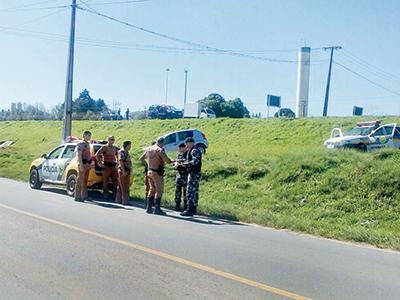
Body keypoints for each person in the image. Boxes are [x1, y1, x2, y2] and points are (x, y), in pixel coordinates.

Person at [140, 137, 173, 215]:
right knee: (159, 190)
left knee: (152, 189)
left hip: (149, 171)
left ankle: (149, 207)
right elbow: (166, 160)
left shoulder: (149, 149)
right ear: (162, 143)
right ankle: (157, 208)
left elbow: (141, 158)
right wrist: (173, 160)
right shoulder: (159, 150)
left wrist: (148, 165)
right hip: (157, 172)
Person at [181, 137, 202, 216]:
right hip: (194, 173)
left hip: (194, 173)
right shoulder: (193, 150)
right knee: (194, 191)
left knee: (190, 191)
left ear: (189, 143)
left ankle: (190, 210)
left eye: (186, 144)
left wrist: (186, 164)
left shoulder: (194, 150)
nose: (186, 146)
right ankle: (193, 209)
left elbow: (195, 161)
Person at [95, 136, 119, 200]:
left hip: (113, 166)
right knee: (105, 181)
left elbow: (117, 155)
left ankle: (115, 195)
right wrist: (100, 163)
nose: (112, 141)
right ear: (108, 139)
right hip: (106, 166)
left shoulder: (114, 147)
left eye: (113, 139)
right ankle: (105, 195)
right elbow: (97, 154)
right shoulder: (104, 147)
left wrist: (117, 163)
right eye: (111, 139)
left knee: (115, 181)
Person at [75, 131, 92, 202]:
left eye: (90, 136)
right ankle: (77, 196)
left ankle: (84, 196)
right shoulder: (81, 144)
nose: (89, 137)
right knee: (80, 180)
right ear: (84, 135)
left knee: (85, 181)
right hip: (83, 163)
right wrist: (81, 165)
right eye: (88, 135)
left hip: (87, 164)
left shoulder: (88, 144)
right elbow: (79, 155)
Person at [116, 140, 132, 205]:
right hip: (123, 171)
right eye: (130, 145)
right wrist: (123, 171)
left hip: (126, 170)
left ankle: (118, 199)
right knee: (124, 187)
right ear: (127, 145)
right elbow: (121, 161)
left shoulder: (126, 152)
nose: (130, 147)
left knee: (120, 186)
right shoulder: (122, 152)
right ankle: (125, 201)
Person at [174, 143, 188, 211]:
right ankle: (177, 205)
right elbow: (176, 162)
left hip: (185, 175)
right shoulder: (179, 155)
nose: (179, 150)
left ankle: (185, 206)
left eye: (181, 148)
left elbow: (186, 164)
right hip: (179, 175)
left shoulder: (188, 155)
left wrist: (179, 164)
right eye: (179, 148)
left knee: (185, 192)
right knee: (177, 191)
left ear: (184, 148)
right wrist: (176, 164)